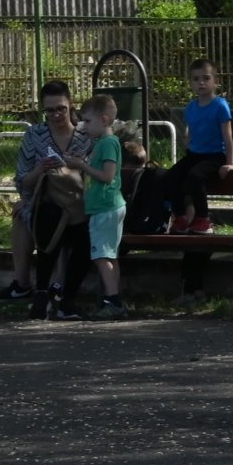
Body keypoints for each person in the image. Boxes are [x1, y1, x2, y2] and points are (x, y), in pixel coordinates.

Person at [0, 80, 90, 309]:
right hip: (45, 202)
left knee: (56, 219)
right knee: (24, 213)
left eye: (61, 109)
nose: (55, 115)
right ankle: (22, 284)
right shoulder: (35, 134)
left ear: (71, 105)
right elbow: (22, 181)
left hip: (79, 205)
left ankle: (52, 288)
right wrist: (39, 170)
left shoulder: (87, 134)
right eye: (49, 110)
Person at [163, 58, 233, 234]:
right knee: (171, 176)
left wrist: (230, 162)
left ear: (215, 81)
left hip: (214, 156)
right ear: (191, 83)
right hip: (194, 155)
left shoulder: (220, 106)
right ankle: (180, 217)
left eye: (206, 78)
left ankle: (203, 219)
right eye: (196, 79)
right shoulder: (191, 107)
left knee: (194, 177)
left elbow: (228, 137)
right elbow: (191, 132)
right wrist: (188, 144)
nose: (201, 83)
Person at [72, 94, 127, 320]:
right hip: (106, 206)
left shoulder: (107, 143)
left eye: (87, 121)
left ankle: (112, 300)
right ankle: (114, 298)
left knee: (101, 256)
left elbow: (107, 176)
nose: (84, 126)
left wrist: (81, 166)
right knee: (109, 256)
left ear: (104, 120)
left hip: (105, 207)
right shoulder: (103, 143)